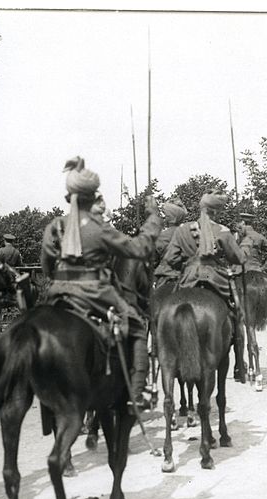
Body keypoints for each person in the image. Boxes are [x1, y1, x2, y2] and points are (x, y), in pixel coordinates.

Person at [41, 155, 161, 410]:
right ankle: (136, 394)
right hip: (93, 292)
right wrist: (153, 218)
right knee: (138, 326)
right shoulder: (100, 228)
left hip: (57, 293)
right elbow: (139, 248)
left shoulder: (55, 226)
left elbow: (46, 264)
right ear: (92, 197)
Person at [160, 189, 246, 316]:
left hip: (189, 278)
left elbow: (170, 258)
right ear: (216, 211)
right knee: (235, 309)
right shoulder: (223, 231)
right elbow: (239, 259)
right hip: (215, 278)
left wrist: (186, 264)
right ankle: (237, 334)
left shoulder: (182, 230)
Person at [152, 199, 188, 288]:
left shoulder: (160, 237)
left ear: (170, 218)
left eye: (166, 215)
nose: (164, 218)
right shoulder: (191, 234)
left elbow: (153, 262)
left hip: (166, 280)